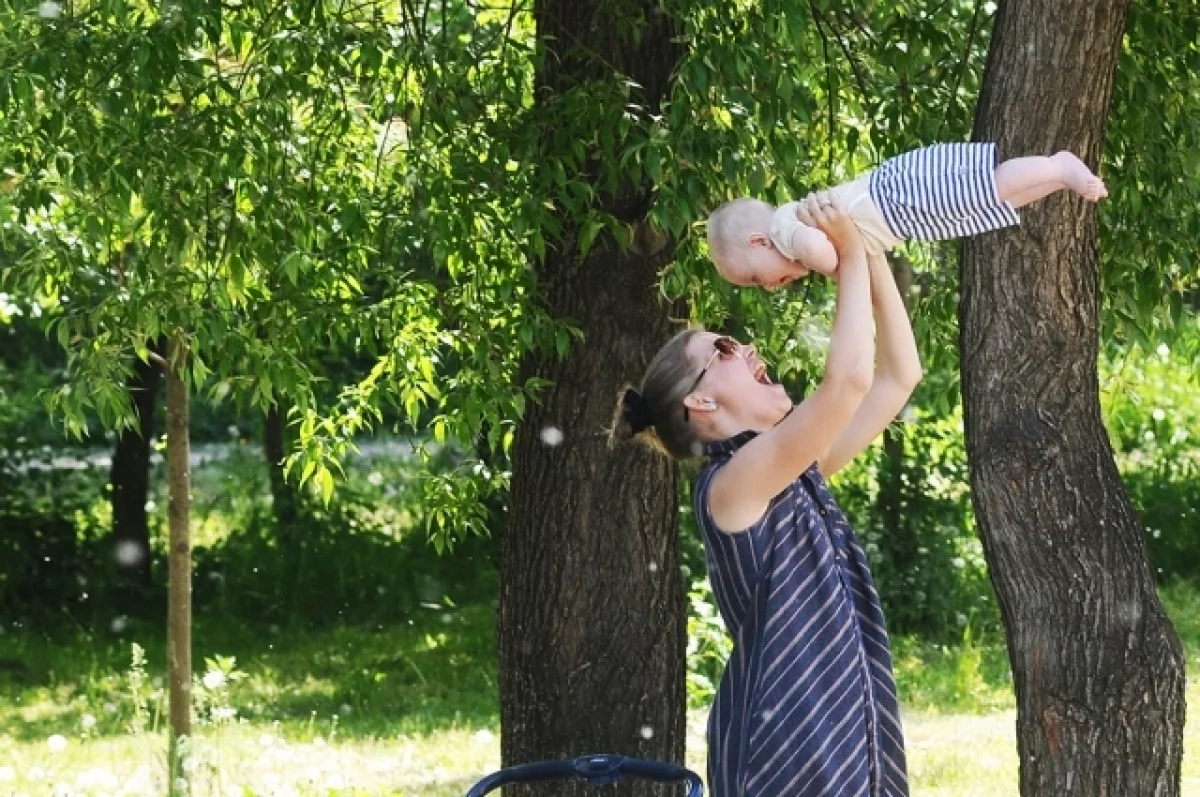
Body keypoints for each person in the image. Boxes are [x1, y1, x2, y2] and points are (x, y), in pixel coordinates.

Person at [613, 193, 921, 796]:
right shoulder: (731, 487)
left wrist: (868, 239)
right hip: (786, 750)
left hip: (842, 735)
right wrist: (849, 253)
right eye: (723, 350)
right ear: (700, 401)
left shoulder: (795, 469)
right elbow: (849, 381)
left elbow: (896, 376)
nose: (747, 348)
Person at [706, 144, 1107, 290]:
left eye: (756, 278)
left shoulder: (784, 228)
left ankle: (1057, 165)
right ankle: (1057, 179)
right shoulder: (786, 233)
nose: (768, 287)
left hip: (897, 195)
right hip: (905, 216)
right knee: (991, 204)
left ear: (759, 242)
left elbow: (821, 251)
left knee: (990, 186)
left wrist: (833, 270)